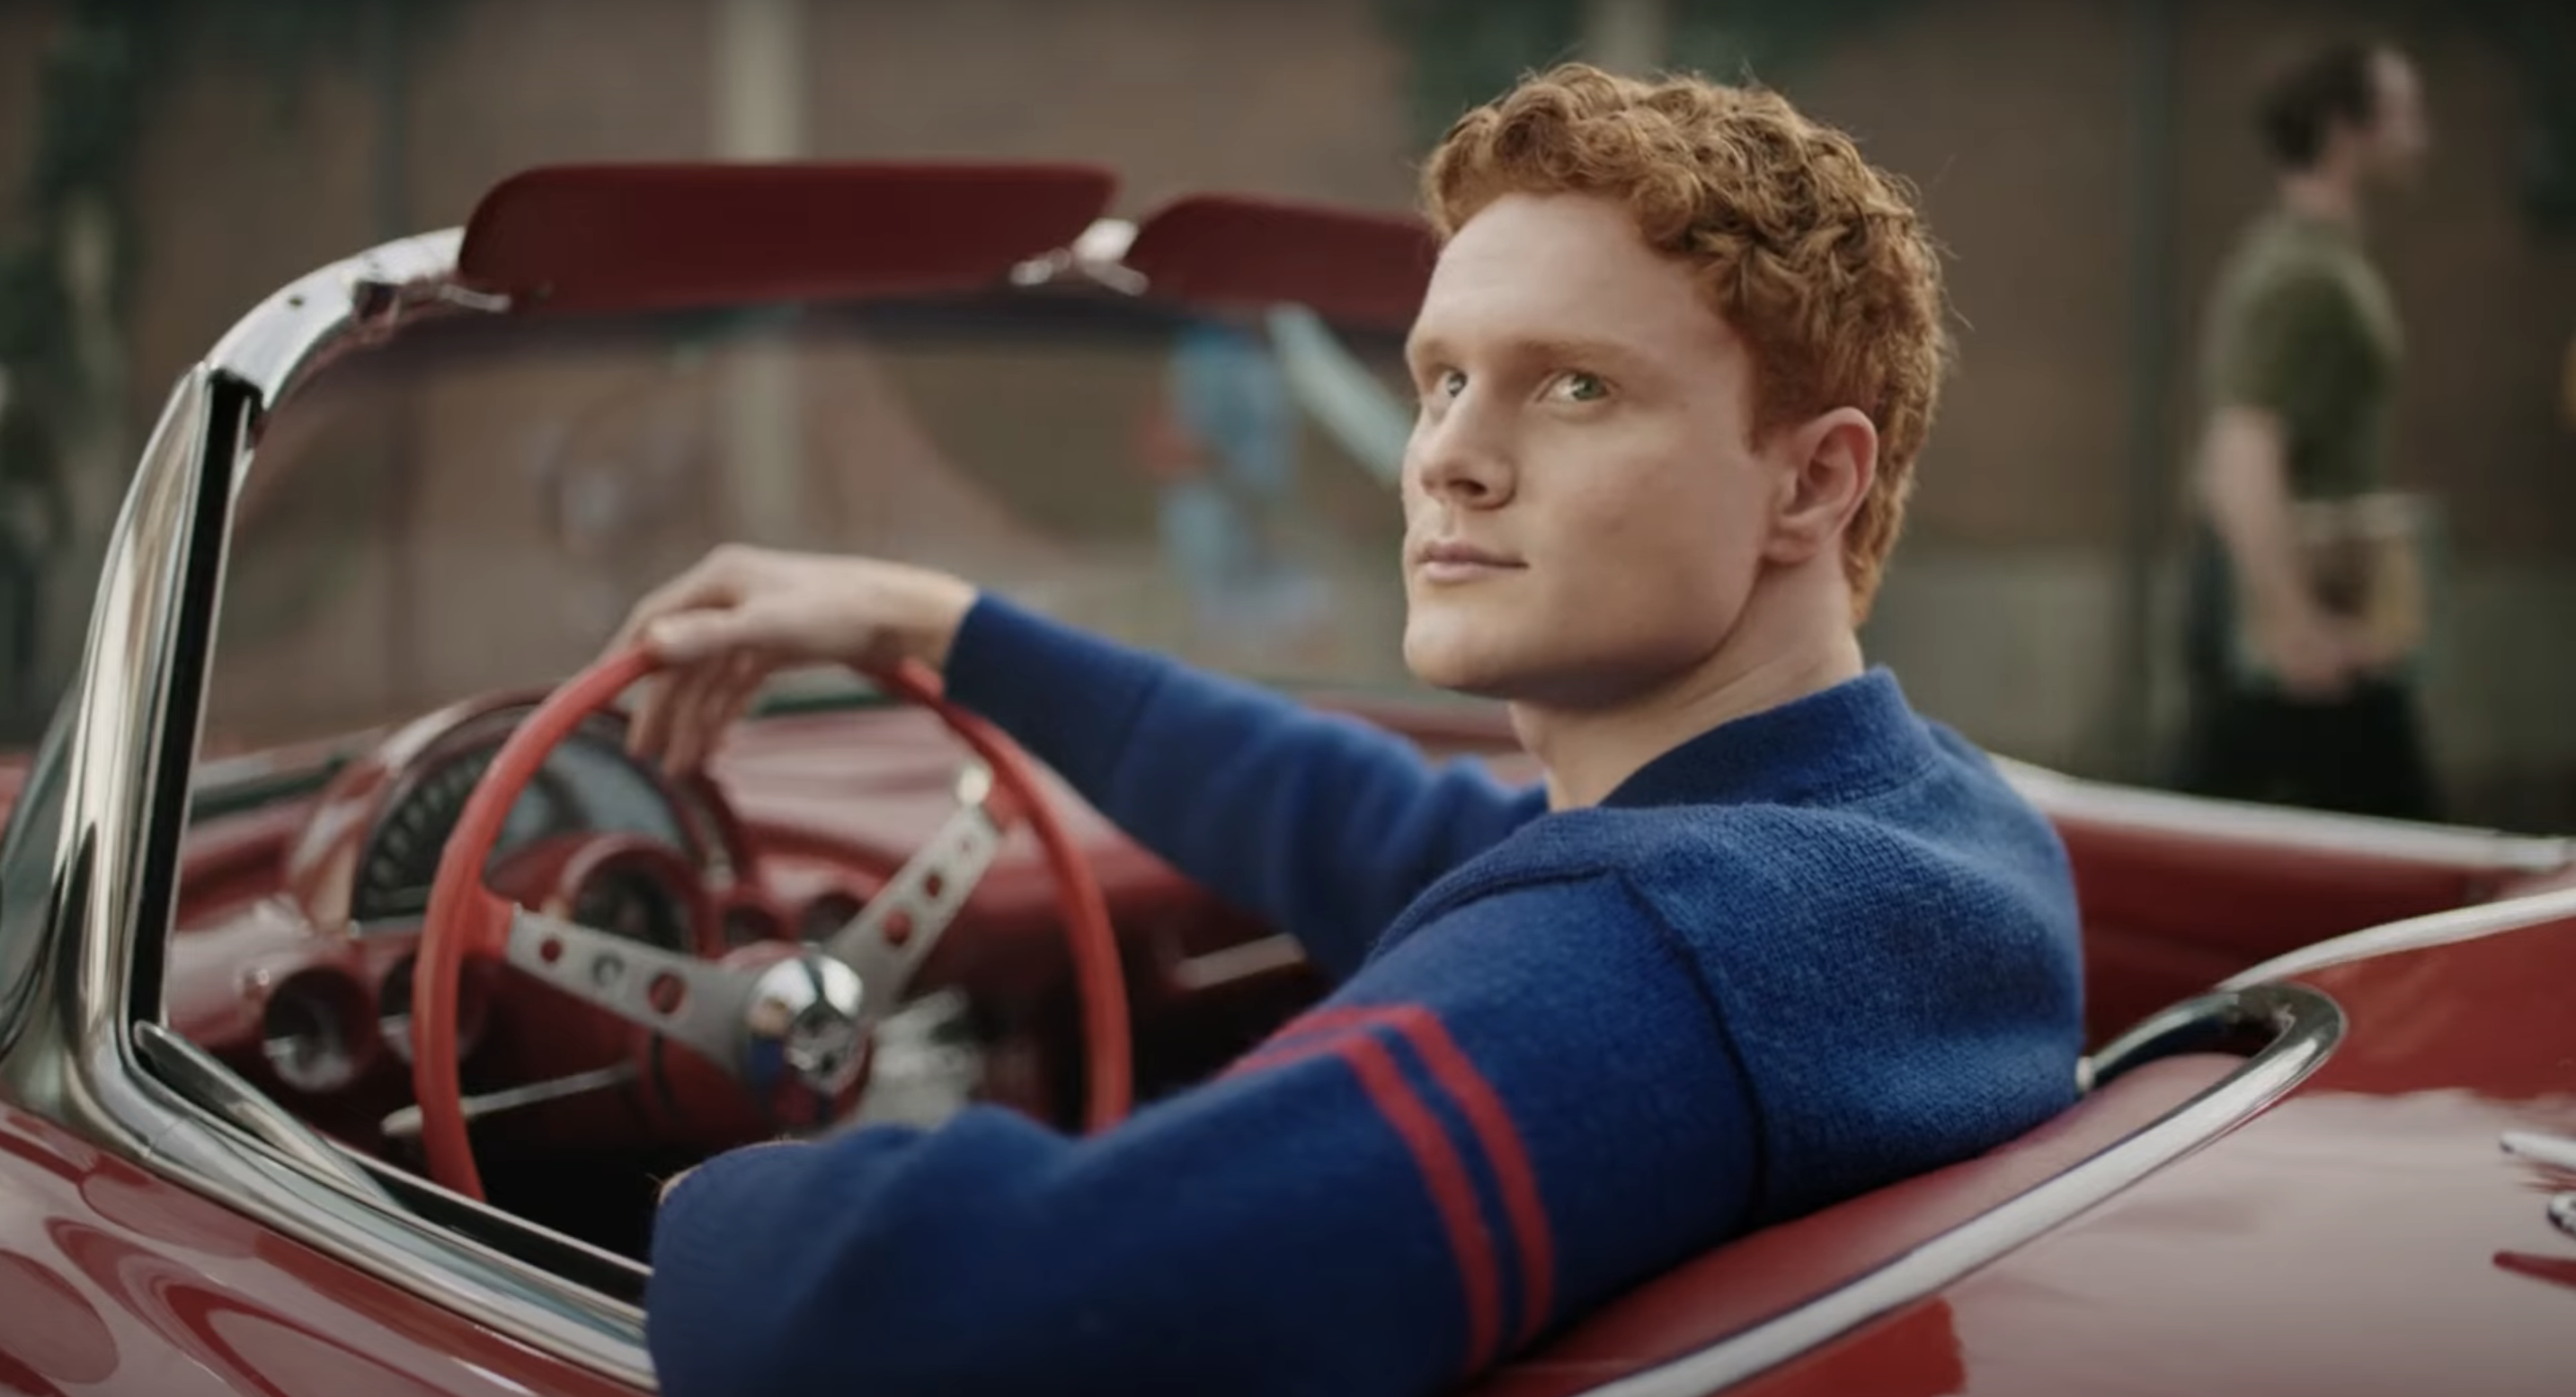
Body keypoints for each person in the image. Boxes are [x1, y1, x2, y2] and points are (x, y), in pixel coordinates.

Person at [623, 64, 2083, 1397]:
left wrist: (713, 1201)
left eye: (1576, 384)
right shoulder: (1930, 827)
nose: (1447, 453)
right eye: (1439, 378)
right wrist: (939, 624)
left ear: (1812, 484)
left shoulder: (1640, 957)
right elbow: (1375, 824)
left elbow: (968, 1321)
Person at [2176, 39, 2438, 819]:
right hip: (2287, 601)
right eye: (2401, 115)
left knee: (2236, 827)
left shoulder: (2321, 260)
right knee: (2392, 836)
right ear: (2342, 129)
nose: (2421, 137)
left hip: (2318, 599)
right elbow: (2240, 454)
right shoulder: (2302, 274)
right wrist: (2293, 625)